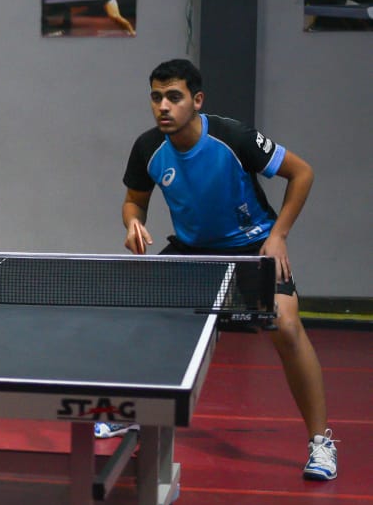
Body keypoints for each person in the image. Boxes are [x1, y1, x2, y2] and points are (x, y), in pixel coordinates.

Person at [99, 58, 336, 483]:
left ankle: (321, 442)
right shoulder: (148, 147)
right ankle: (133, 410)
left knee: (286, 327)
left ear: (197, 100)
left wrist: (279, 235)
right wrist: (132, 222)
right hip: (191, 251)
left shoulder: (232, 137)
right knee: (135, 314)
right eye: (156, 97)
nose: (163, 106)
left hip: (252, 246)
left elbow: (302, 173)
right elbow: (134, 200)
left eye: (174, 97)